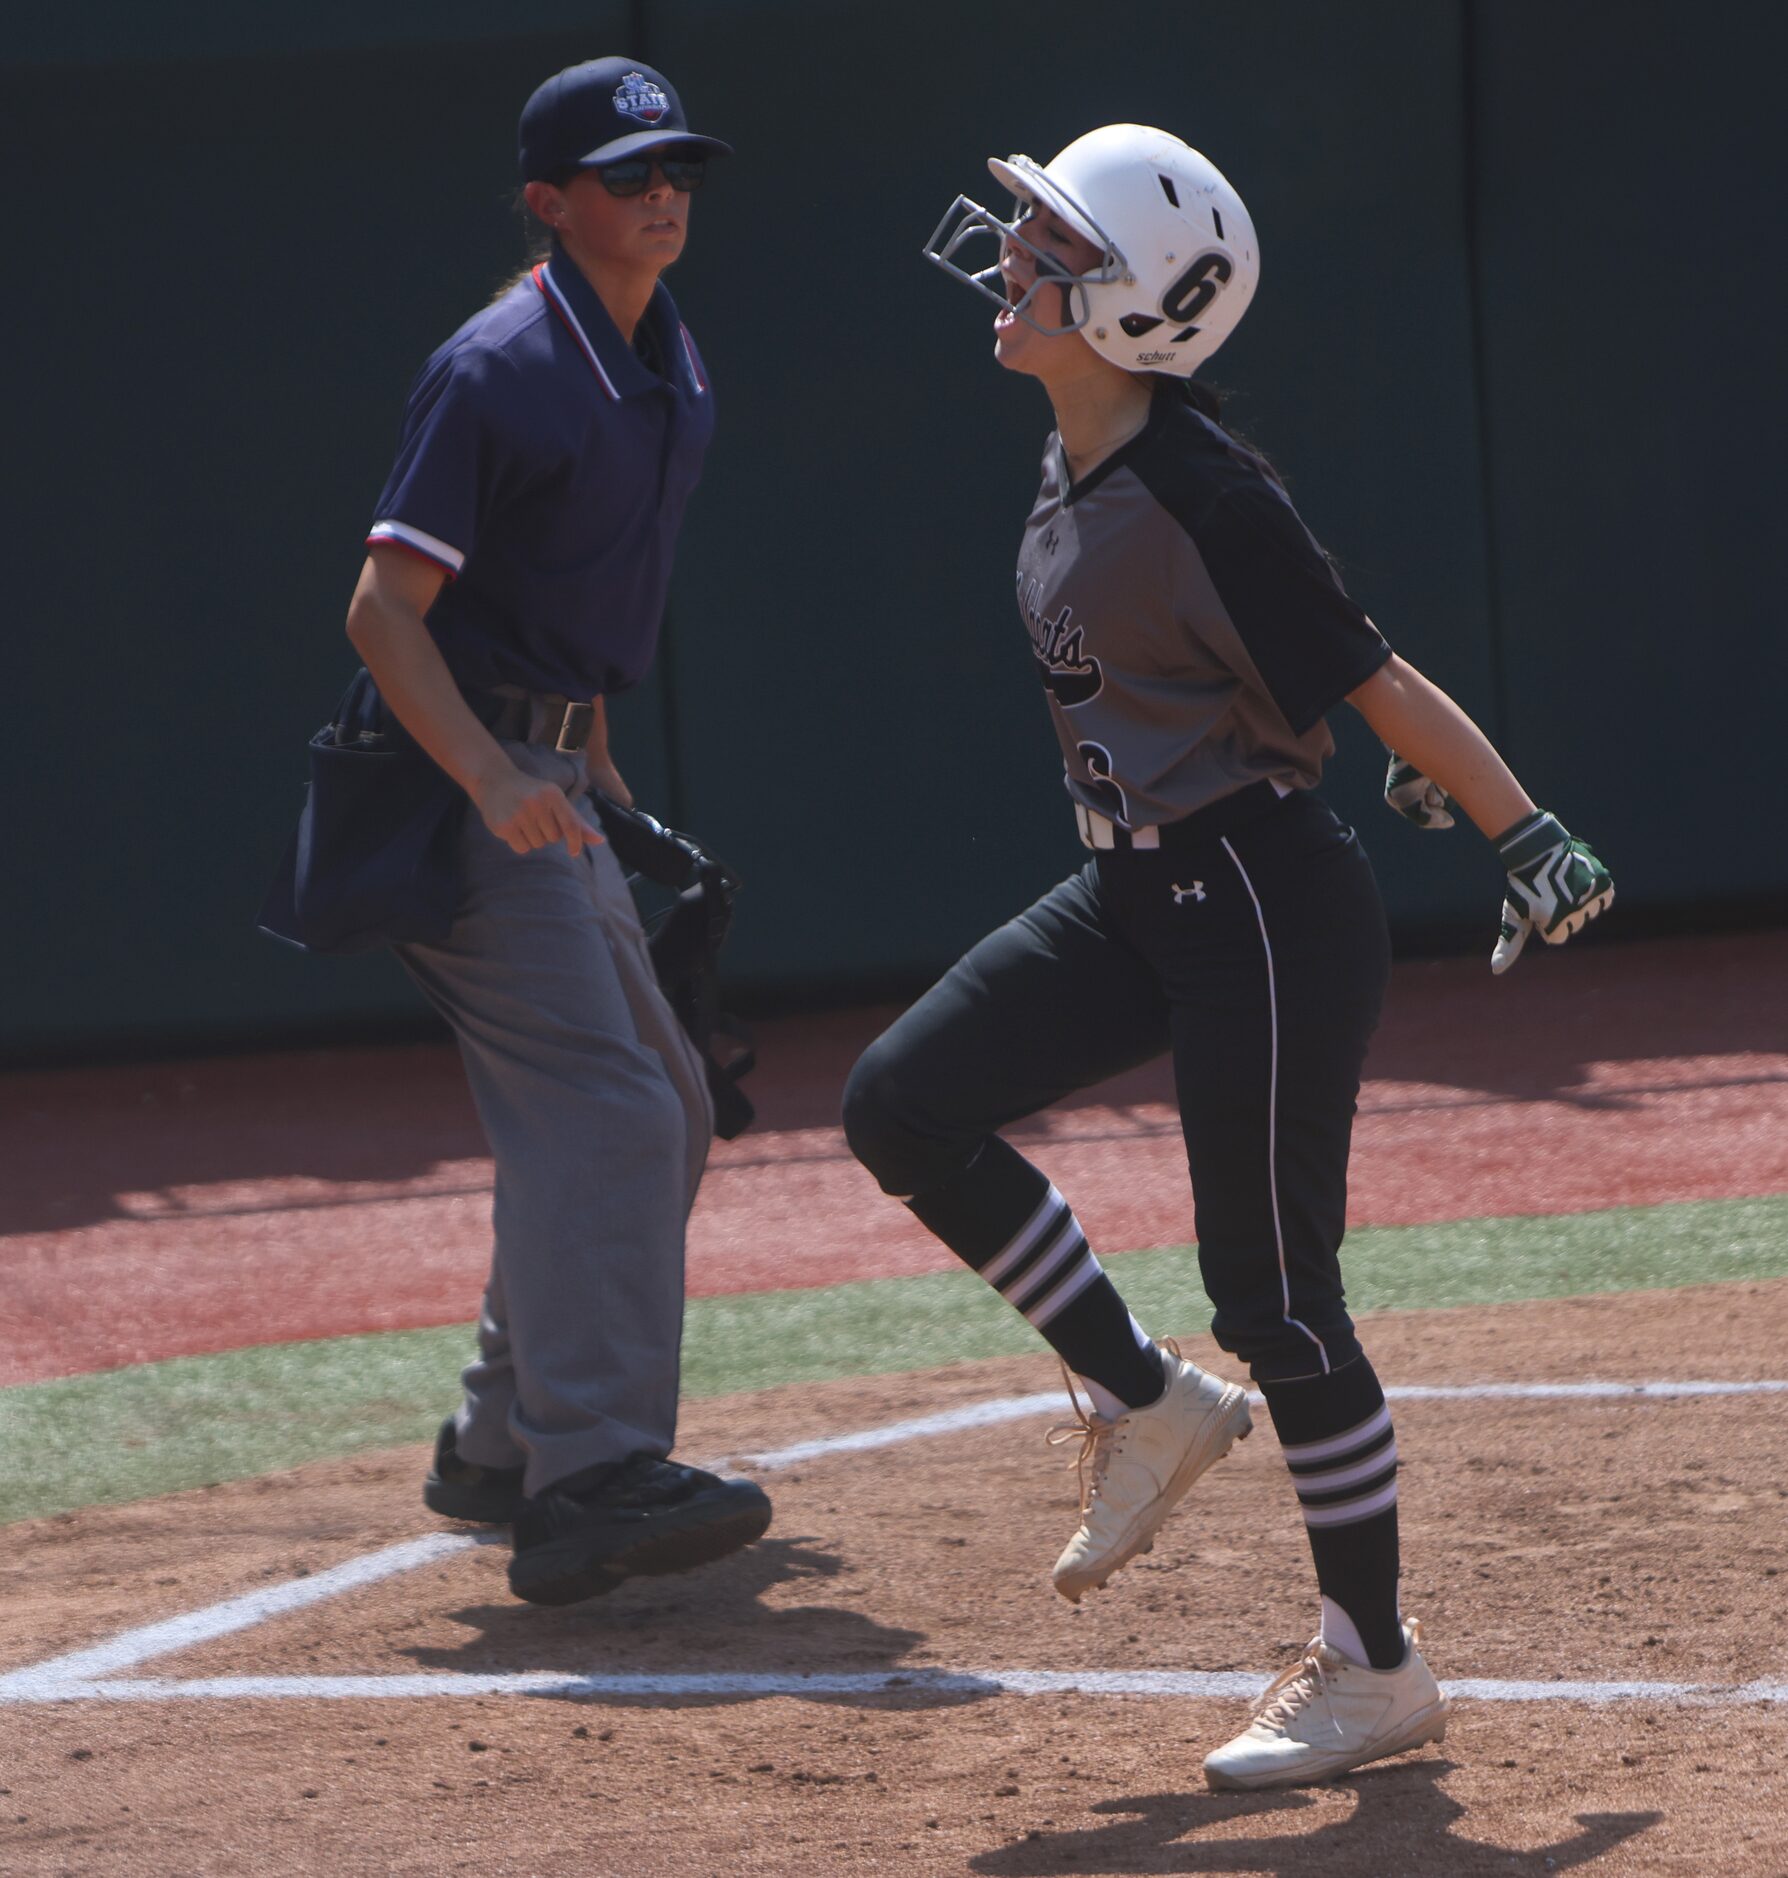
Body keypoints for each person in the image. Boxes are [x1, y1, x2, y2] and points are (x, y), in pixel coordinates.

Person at [846, 125, 1612, 1788]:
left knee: (1280, 1297)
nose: (1007, 253)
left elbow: (1372, 673)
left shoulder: (1201, 489)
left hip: (1257, 898)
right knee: (903, 1103)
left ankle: (1374, 1665)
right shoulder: (1078, 460)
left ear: (1125, 306)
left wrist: (1518, 824)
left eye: (1046, 240)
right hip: (1141, 891)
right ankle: (1142, 1398)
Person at [339, 57, 771, 1606]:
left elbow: (572, 621)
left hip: (547, 777)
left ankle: (500, 1440)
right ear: (548, 200)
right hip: (449, 790)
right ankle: (588, 1478)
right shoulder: (499, 365)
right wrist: (492, 777)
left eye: (678, 173)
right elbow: (386, 611)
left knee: (664, 1092)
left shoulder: (666, 358)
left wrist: (593, 776)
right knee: (609, 1112)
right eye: (626, 174)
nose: (663, 196)